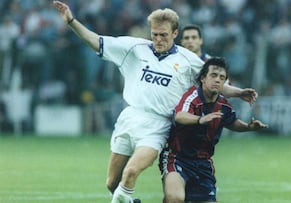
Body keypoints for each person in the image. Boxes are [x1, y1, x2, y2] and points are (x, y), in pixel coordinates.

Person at [53, 1, 258, 203]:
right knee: (112, 184)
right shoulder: (135, 47)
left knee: (131, 172)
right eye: (155, 34)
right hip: (130, 117)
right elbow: (97, 41)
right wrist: (71, 21)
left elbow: (214, 82)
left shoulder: (188, 60)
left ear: (175, 34)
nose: (158, 40)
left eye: (163, 35)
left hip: (158, 125)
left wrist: (239, 93)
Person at [159, 57, 268, 203]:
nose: (217, 80)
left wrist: (248, 127)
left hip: (203, 163)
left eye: (222, 78)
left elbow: (232, 122)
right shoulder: (193, 97)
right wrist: (199, 119)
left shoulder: (223, 105)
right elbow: (179, 115)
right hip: (177, 157)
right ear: (203, 78)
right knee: (175, 198)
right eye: (214, 75)